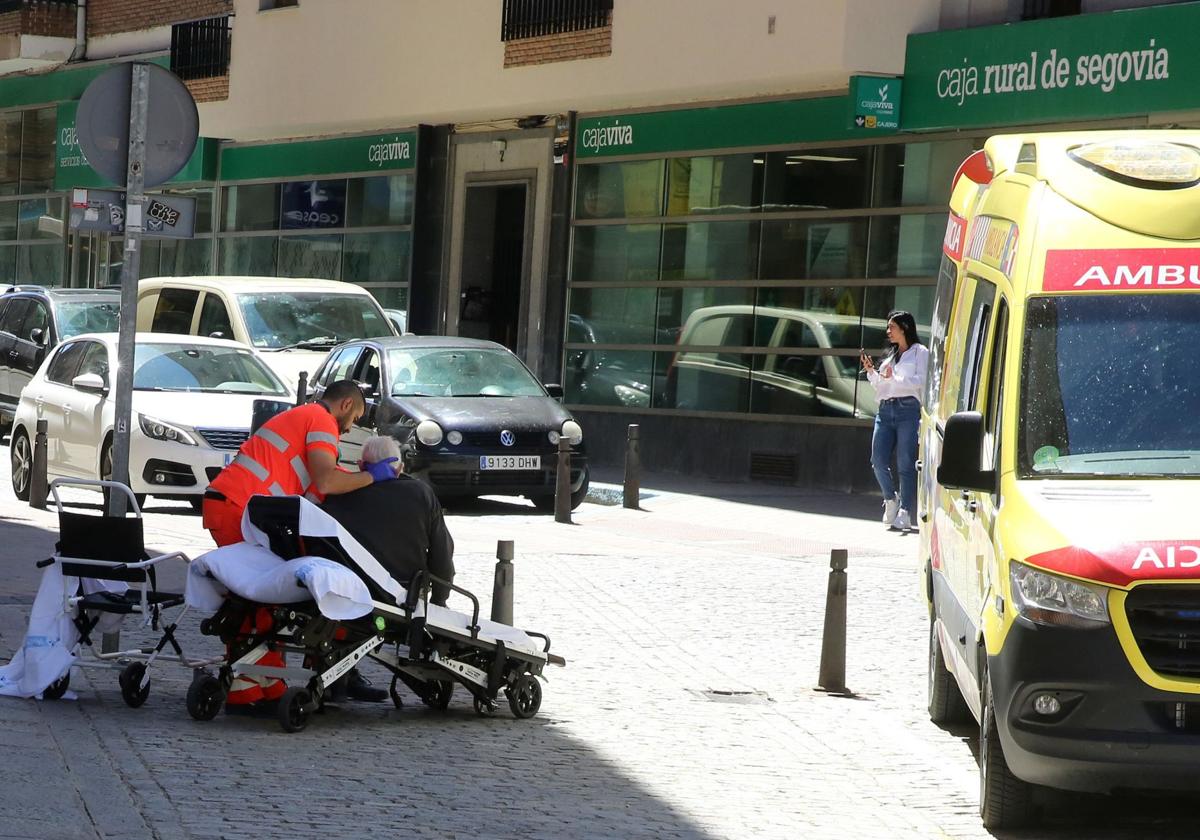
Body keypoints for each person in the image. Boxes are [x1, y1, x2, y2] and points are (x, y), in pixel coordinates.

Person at [201, 379, 397, 705]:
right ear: (346, 405)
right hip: (241, 509)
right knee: (260, 595)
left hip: (235, 506)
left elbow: (318, 488)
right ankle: (248, 689)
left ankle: (265, 685)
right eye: (355, 418)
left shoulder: (302, 419)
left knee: (258, 596)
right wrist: (373, 477)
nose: (350, 429)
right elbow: (327, 480)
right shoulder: (320, 420)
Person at [320, 436, 456, 607]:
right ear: (400, 468)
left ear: (361, 465)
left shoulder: (338, 495)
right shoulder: (421, 494)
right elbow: (442, 553)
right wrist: (440, 599)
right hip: (405, 595)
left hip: (351, 592)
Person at [861, 310, 928, 533]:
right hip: (885, 410)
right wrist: (873, 373)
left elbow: (921, 381)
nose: (888, 331)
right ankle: (891, 498)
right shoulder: (890, 357)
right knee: (877, 460)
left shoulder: (920, 352)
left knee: (905, 463)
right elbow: (881, 387)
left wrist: (895, 378)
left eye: (892, 327)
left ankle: (905, 512)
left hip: (908, 410)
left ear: (905, 328)